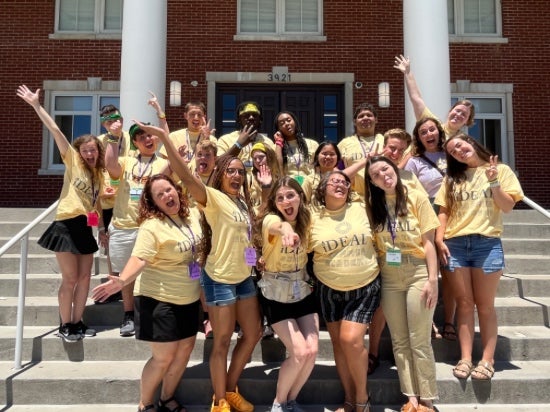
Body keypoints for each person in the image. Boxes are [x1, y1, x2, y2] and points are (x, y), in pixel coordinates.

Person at [145, 122, 262, 412]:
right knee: (221, 341)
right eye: (231, 171)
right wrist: (164, 138)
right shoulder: (213, 198)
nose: (236, 175)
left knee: (253, 332)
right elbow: (184, 173)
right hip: (220, 279)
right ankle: (219, 399)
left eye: (240, 171)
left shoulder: (243, 202)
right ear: (221, 175)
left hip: (244, 278)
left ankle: (231, 388)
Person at [92, 174, 201, 412]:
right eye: (159, 195)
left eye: (168, 190)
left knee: (184, 351)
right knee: (164, 357)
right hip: (158, 299)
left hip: (190, 297)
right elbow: (140, 258)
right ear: (153, 202)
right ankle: (145, 403)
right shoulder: (152, 226)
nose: (166, 196)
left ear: (177, 189)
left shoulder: (192, 215)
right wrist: (121, 281)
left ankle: (167, 398)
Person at [17, 85, 103, 341]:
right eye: (86, 150)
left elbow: (95, 205)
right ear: (80, 151)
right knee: (71, 278)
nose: (89, 153)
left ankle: (78, 322)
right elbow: (55, 129)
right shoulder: (72, 160)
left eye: (93, 150)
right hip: (65, 225)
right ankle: (65, 324)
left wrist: (100, 228)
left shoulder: (99, 175)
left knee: (86, 277)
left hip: (85, 227)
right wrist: (36, 104)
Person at [435, 133, 524, 381]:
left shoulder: (501, 169)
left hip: (487, 244)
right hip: (456, 244)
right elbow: (443, 211)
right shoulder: (452, 178)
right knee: (464, 304)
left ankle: (487, 359)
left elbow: (507, 206)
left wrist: (494, 182)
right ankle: (465, 358)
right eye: (453, 151)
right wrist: (440, 239)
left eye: (460, 145)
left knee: (485, 306)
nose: (458, 151)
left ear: (471, 142)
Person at [365, 156, 439, 412]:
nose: (383, 175)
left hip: (417, 269)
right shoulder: (374, 206)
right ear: (372, 182)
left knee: (419, 339)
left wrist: (433, 280)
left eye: (385, 169)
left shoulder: (416, 197)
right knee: (399, 339)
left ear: (394, 168)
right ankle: (411, 397)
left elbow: (429, 242)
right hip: (390, 274)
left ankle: (427, 398)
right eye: (375, 175)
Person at [309, 171, 380, 412]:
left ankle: (362, 398)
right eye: (334, 181)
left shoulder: (361, 206)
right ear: (322, 188)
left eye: (344, 182)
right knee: (339, 345)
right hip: (329, 288)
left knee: (350, 340)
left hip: (365, 284)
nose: (340, 184)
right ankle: (349, 399)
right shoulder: (312, 215)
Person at [254, 177, 319, 412]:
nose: (285, 201)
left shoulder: (308, 218)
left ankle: (291, 400)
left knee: (311, 351)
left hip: (302, 288)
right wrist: (288, 231)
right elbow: (280, 227)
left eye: (290, 195)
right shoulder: (272, 219)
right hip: (276, 293)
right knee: (299, 352)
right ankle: (279, 403)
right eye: (280, 198)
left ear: (300, 197)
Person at [105, 121, 169, 337]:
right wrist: (113, 137)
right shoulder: (126, 161)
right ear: (134, 142)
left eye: (150, 135)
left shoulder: (162, 163)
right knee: (125, 274)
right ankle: (129, 315)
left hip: (152, 227)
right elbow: (110, 165)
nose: (147, 139)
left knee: (152, 273)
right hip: (123, 226)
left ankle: (151, 314)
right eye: (141, 137)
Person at [405, 117, 457, 341]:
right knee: (430, 271)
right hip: (428, 212)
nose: (428, 134)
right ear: (419, 137)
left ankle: (449, 321)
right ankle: (430, 320)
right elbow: (408, 189)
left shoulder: (453, 155)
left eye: (432, 130)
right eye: (423, 132)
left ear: (439, 132)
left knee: (450, 270)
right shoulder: (414, 161)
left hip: (455, 213)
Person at [96, 104, 134, 303]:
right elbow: (96, 171)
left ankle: (134, 282)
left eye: (116, 119)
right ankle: (114, 284)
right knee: (111, 244)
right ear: (103, 124)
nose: (113, 123)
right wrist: (101, 190)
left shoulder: (130, 138)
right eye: (108, 121)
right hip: (108, 199)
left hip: (130, 198)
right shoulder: (99, 142)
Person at [394, 55, 475, 140]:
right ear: (450, 111)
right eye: (457, 110)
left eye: (464, 114)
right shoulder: (432, 123)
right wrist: (407, 72)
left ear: (467, 121)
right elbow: (416, 99)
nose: (458, 114)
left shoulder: (463, 141)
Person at [337, 103, 385, 199]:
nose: (365, 118)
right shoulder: (345, 143)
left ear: (376, 120)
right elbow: (334, 167)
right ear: (355, 121)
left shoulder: (386, 140)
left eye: (369, 115)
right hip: (355, 197)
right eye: (361, 116)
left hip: (383, 195)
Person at [217, 101, 276, 173]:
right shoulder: (225, 139)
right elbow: (218, 164)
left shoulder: (268, 142)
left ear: (260, 120)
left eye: (255, 115)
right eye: (246, 115)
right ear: (239, 120)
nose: (251, 118)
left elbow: (275, 168)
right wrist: (239, 145)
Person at [158, 101, 217, 169]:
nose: (196, 118)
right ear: (186, 116)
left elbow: (215, 162)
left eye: (199, 114)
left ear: (204, 116)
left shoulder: (211, 139)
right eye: (192, 114)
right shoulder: (173, 136)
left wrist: (207, 139)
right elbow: (165, 160)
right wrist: (177, 160)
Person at [272, 111, 318, 185]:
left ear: (295, 122)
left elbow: (318, 169)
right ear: (278, 129)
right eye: (282, 123)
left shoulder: (312, 144)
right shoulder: (276, 148)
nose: (286, 124)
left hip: (310, 186)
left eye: (289, 120)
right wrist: (279, 142)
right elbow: (277, 169)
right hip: (289, 188)